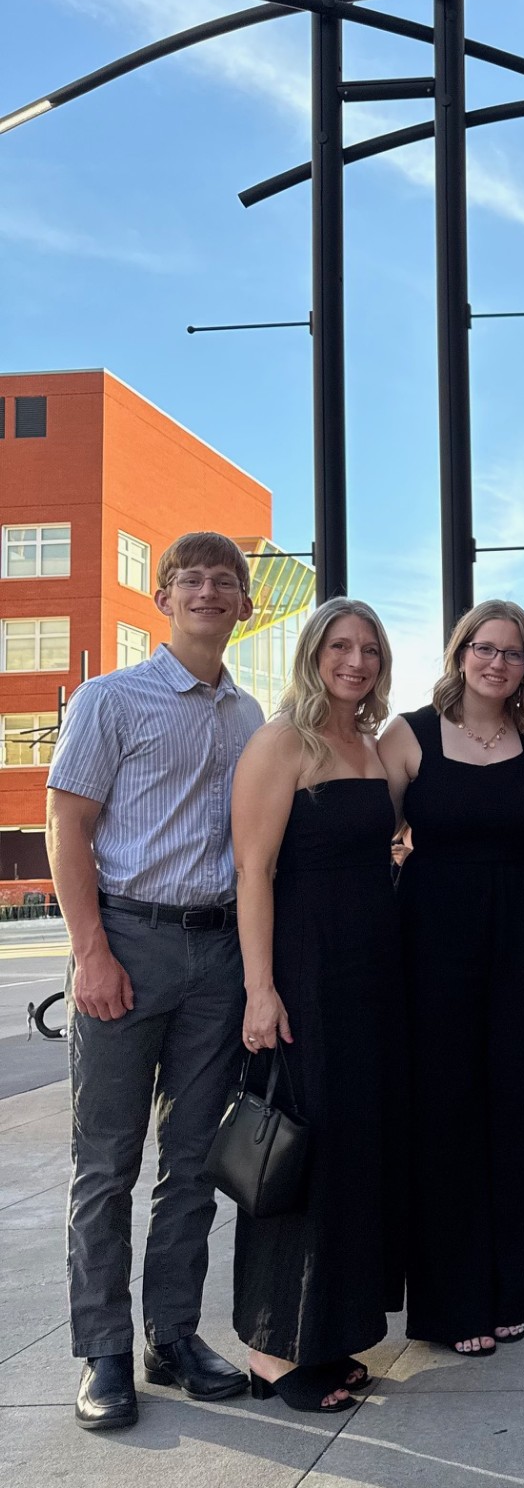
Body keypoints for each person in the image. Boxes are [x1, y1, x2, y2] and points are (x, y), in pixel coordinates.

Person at [47, 533, 263, 1431]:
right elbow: (67, 826)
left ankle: (171, 1336)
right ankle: (102, 1350)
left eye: (225, 581)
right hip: (128, 943)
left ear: (245, 604)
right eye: (191, 579)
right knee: (106, 1163)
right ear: (164, 598)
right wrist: (91, 951)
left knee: (193, 1162)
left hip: (217, 955)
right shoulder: (111, 699)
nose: (209, 591)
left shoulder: (251, 716)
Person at [231, 598, 404, 1411]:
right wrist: (261, 989)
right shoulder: (281, 742)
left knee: (351, 1154)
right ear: (313, 653)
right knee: (296, 1155)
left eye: (369, 649)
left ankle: (329, 1334)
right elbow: (253, 871)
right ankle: (272, 1350)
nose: (355, 661)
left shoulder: (368, 743)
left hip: (372, 976)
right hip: (304, 969)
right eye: (340, 645)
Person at [378, 600, 524, 1358]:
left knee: (510, 1114)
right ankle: (451, 1304)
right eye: (485, 648)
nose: (497, 663)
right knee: (443, 1117)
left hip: (518, 943)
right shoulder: (409, 734)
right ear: (459, 652)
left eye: (513, 653)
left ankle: (511, 1291)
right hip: (430, 946)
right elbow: (363, 832)